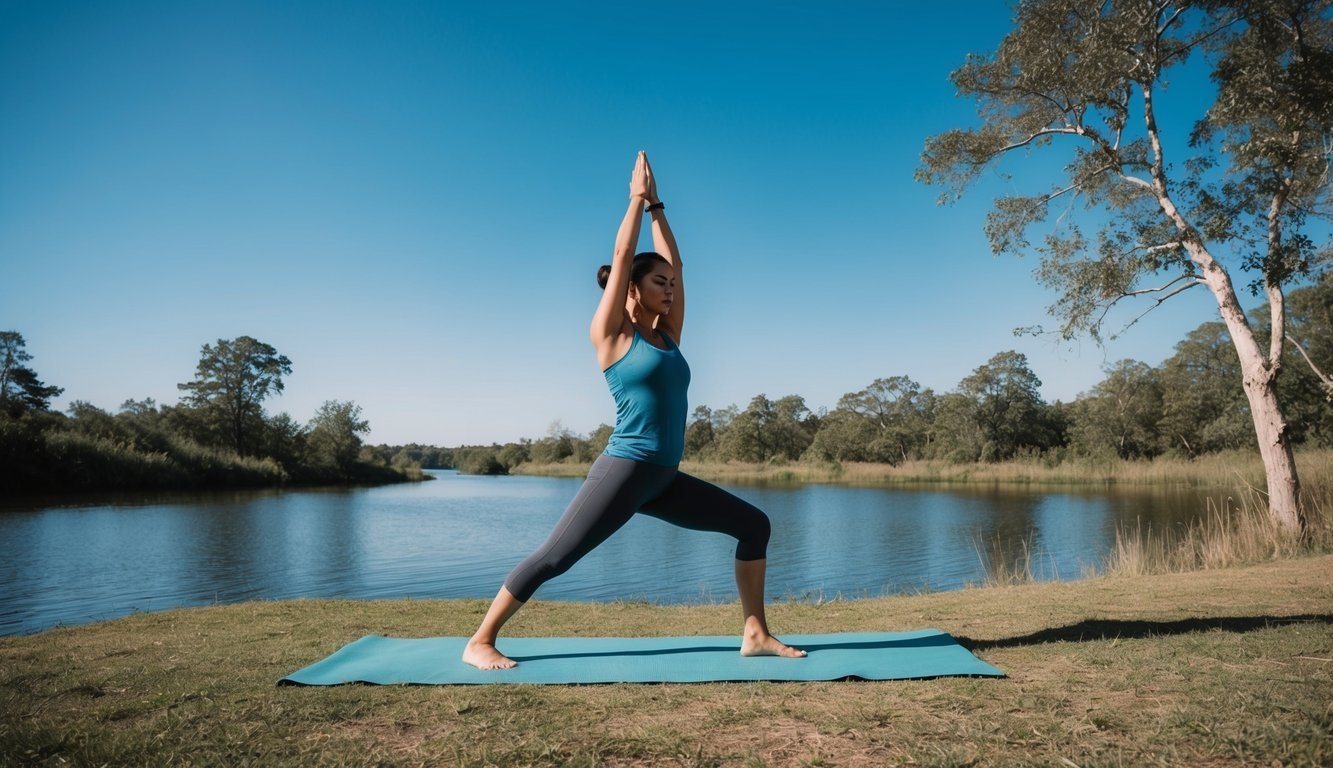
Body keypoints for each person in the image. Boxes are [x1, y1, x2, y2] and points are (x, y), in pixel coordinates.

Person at [462, 151, 805, 670]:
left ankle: (755, 633)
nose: (669, 290)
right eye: (658, 283)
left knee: (754, 524)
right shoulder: (612, 337)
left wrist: (659, 208)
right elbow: (623, 255)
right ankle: (480, 641)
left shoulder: (669, 335)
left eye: (671, 285)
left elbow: (679, 266)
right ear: (630, 289)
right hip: (624, 470)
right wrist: (635, 200)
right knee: (555, 557)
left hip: (663, 477)